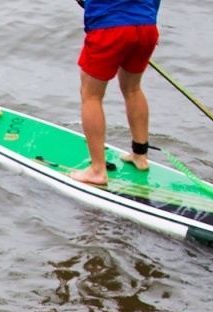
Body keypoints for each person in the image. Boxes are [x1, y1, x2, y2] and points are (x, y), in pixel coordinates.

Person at [71, 0, 160, 187]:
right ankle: (140, 156)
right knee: (133, 89)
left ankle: (97, 171)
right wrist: (146, 22)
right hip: (146, 26)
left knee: (91, 96)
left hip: (109, 27)